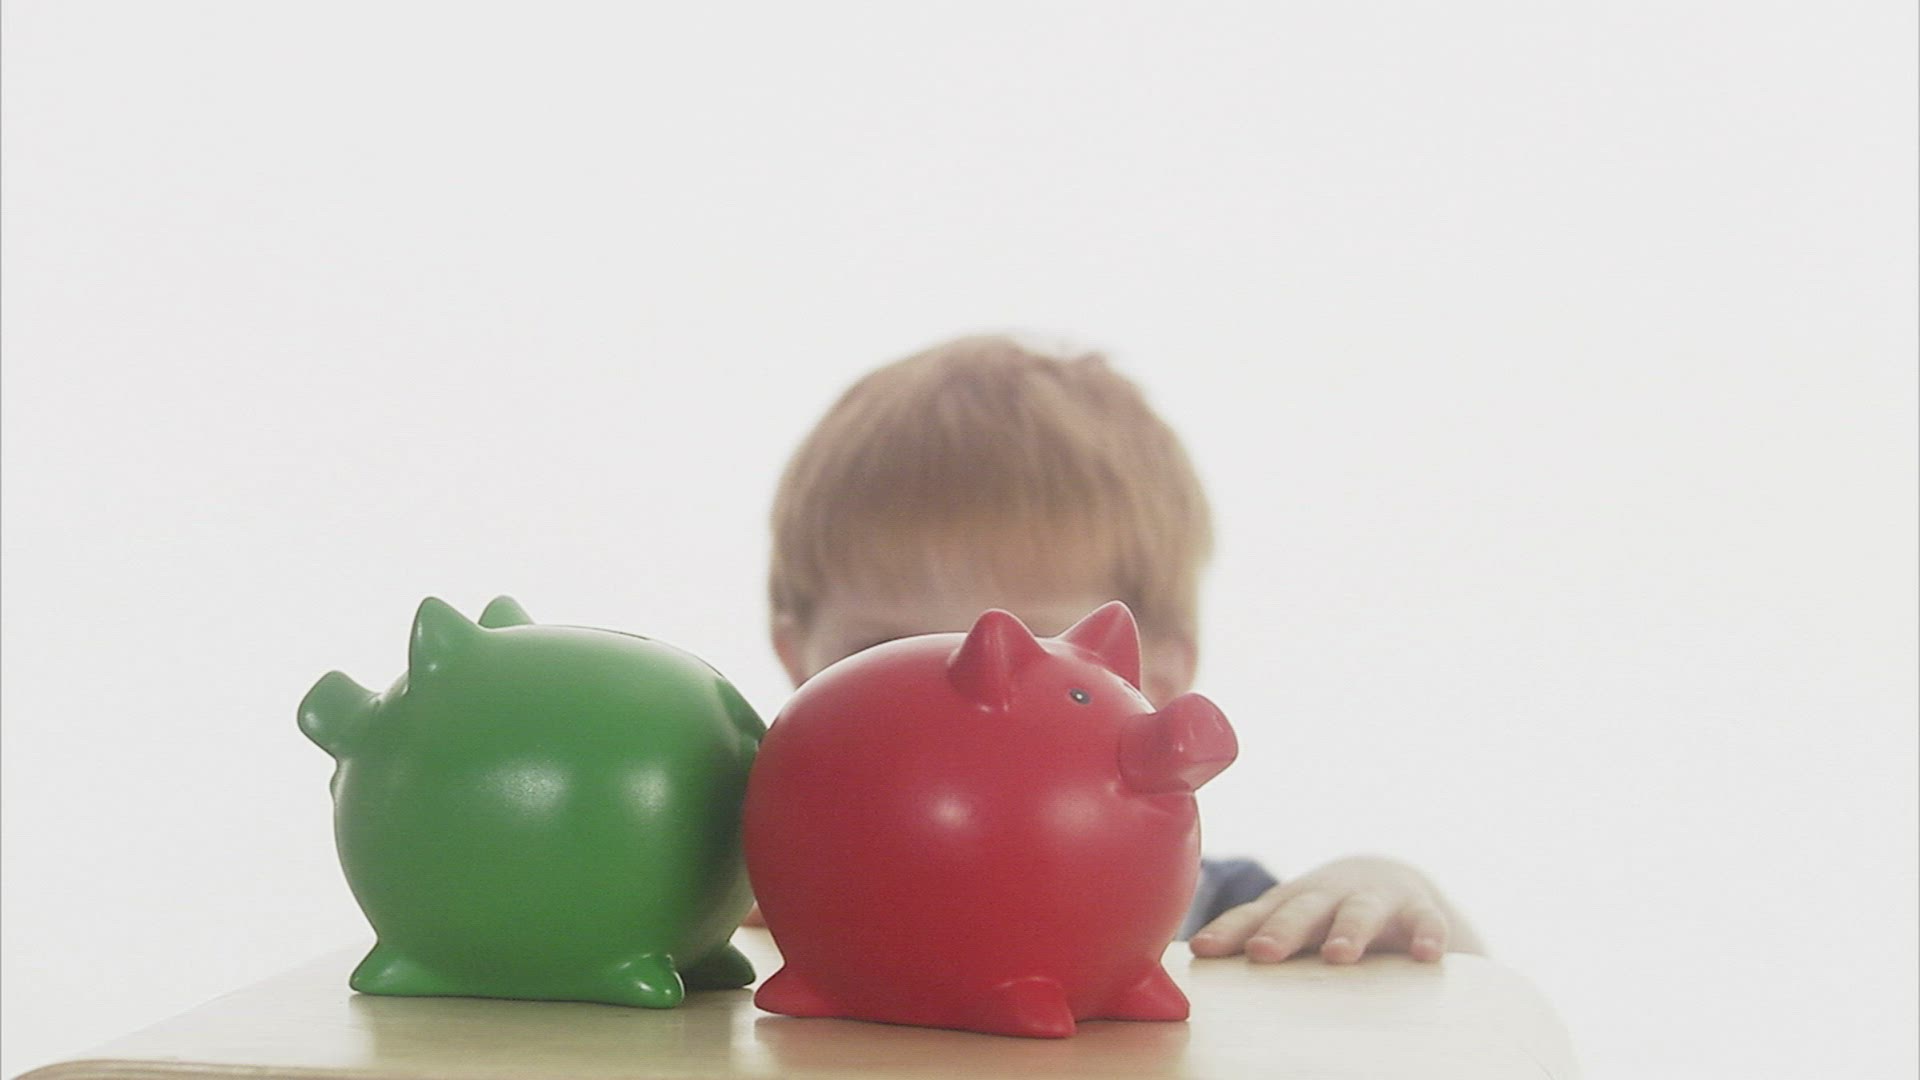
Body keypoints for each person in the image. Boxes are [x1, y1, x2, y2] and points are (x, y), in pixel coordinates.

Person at [755, 334, 1483, 964]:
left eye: (1034, 652)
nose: (957, 711)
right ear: (799, 663)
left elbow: (1473, 1021)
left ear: (1153, 682)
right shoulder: (762, 903)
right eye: (888, 652)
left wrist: (1393, 895)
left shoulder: (1225, 923)